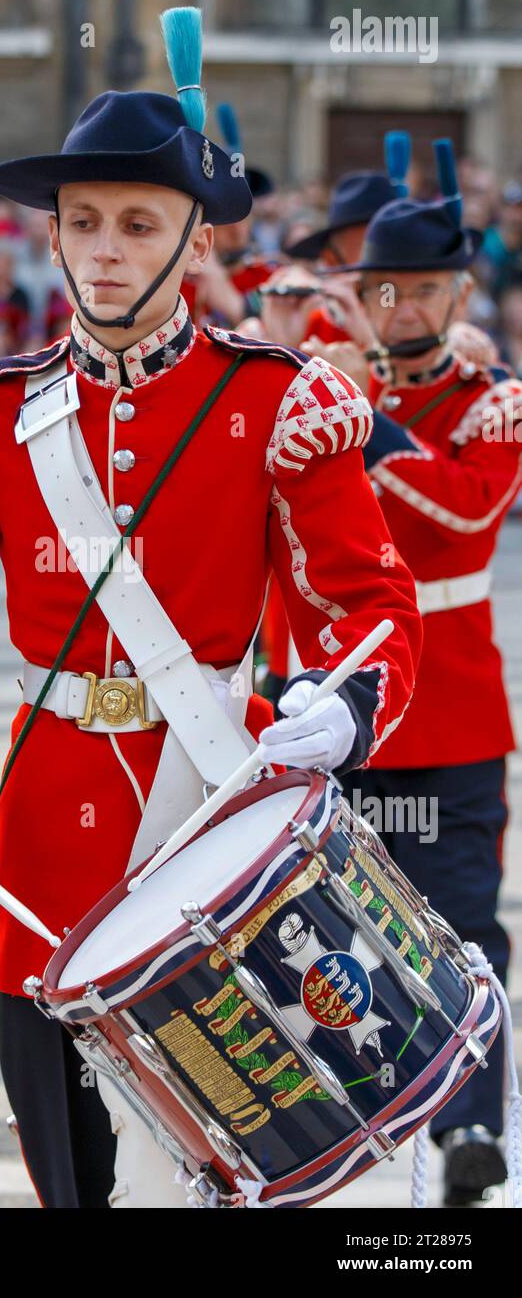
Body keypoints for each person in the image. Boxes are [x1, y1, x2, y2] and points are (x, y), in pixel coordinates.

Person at [0, 9, 421, 1208]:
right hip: (46, 837)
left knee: (239, 1173)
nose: (103, 251)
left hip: (209, 822)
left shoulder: (275, 404)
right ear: (51, 234)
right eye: (84, 224)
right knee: (72, 1178)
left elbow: (371, 604)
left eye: (137, 224)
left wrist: (347, 705)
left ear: (190, 239)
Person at [304, 189, 522, 1206]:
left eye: (422, 290)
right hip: (351, 709)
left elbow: (463, 506)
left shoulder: (491, 401)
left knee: (465, 925)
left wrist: (369, 417)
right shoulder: (322, 385)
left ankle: (471, 1126)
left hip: (455, 717)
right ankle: (364, 1129)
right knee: (345, 934)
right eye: (380, 290)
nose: (399, 309)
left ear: (460, 293)